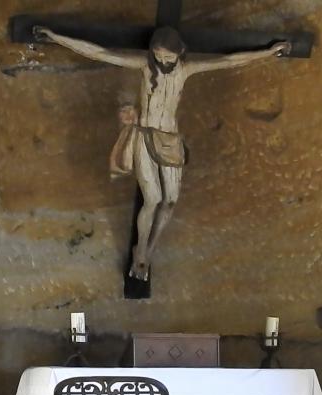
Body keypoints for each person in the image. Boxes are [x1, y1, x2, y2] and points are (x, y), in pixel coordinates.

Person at [35, 25, 291, 280]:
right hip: (145, 137)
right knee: (153, 199)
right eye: (158, 56)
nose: (163, 61)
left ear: (180, 53)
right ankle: (140, 253)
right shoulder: (145, 66)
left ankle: (149, 249)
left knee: (170, 201)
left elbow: (228, 60)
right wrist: (57, 38)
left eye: (168, 57)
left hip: (170, 140)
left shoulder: (187, 69)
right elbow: (101, 53)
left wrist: (268, 53)